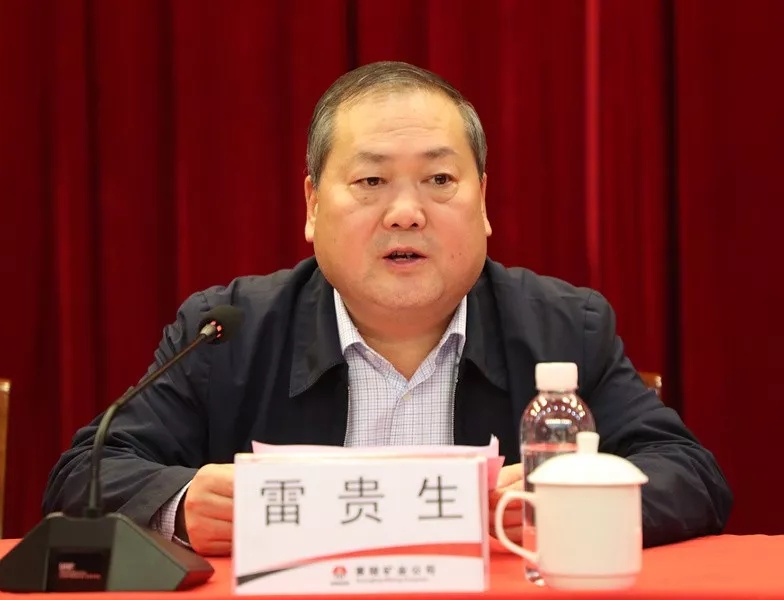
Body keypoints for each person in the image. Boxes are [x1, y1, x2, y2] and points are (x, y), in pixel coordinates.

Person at [43, 61, 732, 556]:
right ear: (312, 205)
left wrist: (572, 499)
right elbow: (86, 473)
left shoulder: (563, 327)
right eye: (371, 180)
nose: (406, 212)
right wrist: (180, 505)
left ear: (484, 202)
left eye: (439, 179)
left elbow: (690, 474)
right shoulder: (227, 331)